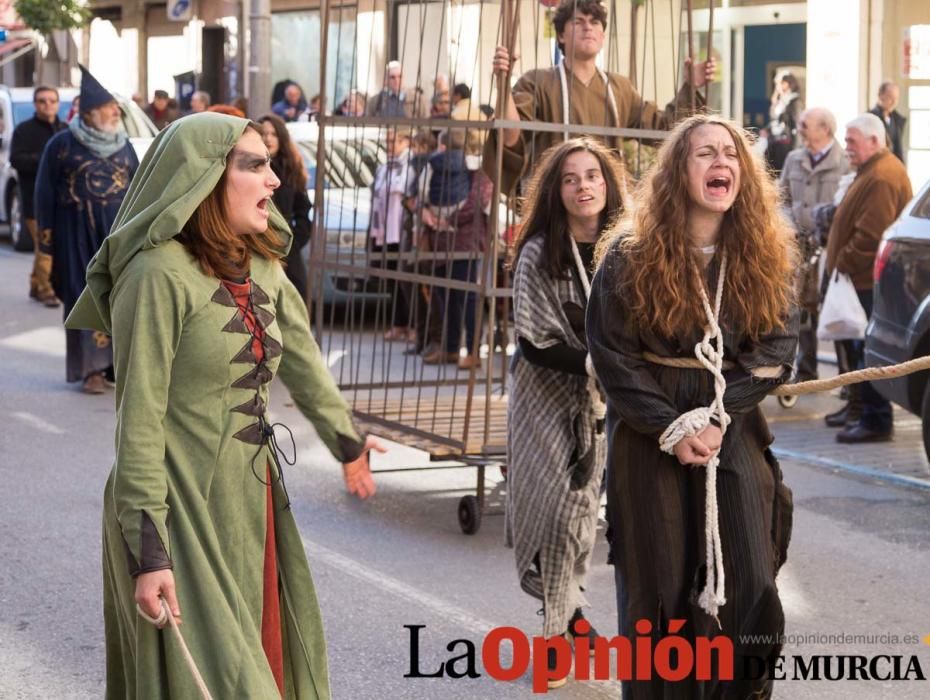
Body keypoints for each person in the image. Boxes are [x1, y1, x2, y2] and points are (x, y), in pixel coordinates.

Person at [64, 112, 383, 697]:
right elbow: (138, 419)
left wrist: (347, 441)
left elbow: (305, 361)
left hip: (249, 500)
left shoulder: (262, 264)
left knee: (266, 664)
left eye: (269, 165)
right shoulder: (155, 275)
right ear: (206, 176)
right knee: (215, 681)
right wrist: (148, 550)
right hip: (175, 505)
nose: (273, 181)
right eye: (254, 165)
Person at [587, 114, 799, 698]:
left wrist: (715, 413)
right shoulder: (630, 255)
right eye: (704, 154)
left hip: (729, 429)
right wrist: (672, 426)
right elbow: (612, 355)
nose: (721, 164)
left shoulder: (765, 254)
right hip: (649, 434)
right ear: (679, 171)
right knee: (660, 594)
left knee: (751, 582)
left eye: (730, 154)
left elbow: (778, 349)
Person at [507, 137, 625, 688]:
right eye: (571, 178)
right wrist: (601, 363)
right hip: (542, 400)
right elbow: (534, 341)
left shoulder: (625, 248)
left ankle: (566, 625)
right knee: (551, 510)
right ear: (556, 191)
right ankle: (563, 629)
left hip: (597, 406)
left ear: (608, 185)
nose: (584, 186)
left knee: (579, 521)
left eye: (593, 176)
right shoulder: (538, 251)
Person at [488, 0, 713, 195]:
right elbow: (510, 136)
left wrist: (691, 86)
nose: (588, 27)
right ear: (561, 35)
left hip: (609, 206)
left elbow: (664, 129)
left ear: (603, 36)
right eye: (578, 22)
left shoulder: (619, 87)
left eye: (594, 22)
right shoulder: (537, 82)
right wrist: (503, 84)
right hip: (554, 202)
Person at [35, 66, 139, 395]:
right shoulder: (62, 145)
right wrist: (47, 243)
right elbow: (44, 193)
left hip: (117, 234)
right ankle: (90, 370)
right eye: (110, 107)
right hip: (75, 233)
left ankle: (113, 366)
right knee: (84, 298)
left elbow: (139, 189)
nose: (115, 112)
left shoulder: (125, 147)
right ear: (92, 112)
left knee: (120, 299)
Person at [825, 113, 913, 444]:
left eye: (851, 141)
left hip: (865, 282)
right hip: (857, 280)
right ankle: (861, 410)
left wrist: (843, 262)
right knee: (855, 348)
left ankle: (875, 418)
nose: (846, 147)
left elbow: (870, 235)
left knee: (866, 351)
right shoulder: (872, 171)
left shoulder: (882, 176)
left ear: (874, 142)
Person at [779, 107, 850, 383]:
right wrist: (787, 227)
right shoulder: (793, 159)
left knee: (834, 309)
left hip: (829, 247)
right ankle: (807, 372)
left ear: (825, 130)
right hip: (798, 246)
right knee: (802, 308)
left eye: (805, 125)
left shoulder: (844, 163)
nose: (800, 129)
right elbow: (781, 197)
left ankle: (847, 379)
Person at [420, 129, 486, 368]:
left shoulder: (472, 169)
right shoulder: (444, 167)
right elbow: (479, 200)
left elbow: (477, 201)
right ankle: (451, 348)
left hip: (457, 241)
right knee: (448, 296)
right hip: (453, 240)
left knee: (463, 297)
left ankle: (472, 350)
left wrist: (438, 218)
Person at [10, 85, 66, 307]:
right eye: (43, 101)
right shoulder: (24, 130)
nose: (48, 105)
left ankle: (36, 283)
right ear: (36, 104)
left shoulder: (63, 129)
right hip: (34, 201)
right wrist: (45, 160)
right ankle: (46, 289)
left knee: (45, 247)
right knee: (45, 246)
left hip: (60, 201)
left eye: (52, 101)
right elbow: (16, 159)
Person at [370, 129, 418, 343]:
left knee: (408, 279)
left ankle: (413, 325)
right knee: (392, 279)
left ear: (406, 141)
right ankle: (398, 323)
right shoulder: (384, 167)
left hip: (403, 230)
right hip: (385, 232)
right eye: (387, 141)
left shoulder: (412, 166)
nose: (389, 145)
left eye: (393, 141)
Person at [259, 114, 312, 301]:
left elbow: (304, 211)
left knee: (296, 297)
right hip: (257, 244)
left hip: (286, 247)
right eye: (264, 133)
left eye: (273, 134)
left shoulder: (291, 170)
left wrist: (293, 243)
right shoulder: (249, 167)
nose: (268, 138)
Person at [764, 73, 803, 173]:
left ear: (786, 84)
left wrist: (795, 148)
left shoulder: (794, 101)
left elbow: (797, 124)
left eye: (779, 84)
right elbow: (775, 118)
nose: (777, 87)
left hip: (785, 144)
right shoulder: (781, 100)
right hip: (774, 141)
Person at [869, 81, 907, 163]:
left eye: (896, 98)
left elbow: (898, 148)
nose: (893, 102)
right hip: (876, 163)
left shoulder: (897, 120)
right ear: (880, 96)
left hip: (893, 164)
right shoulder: (869, 118)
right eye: (890, 97)